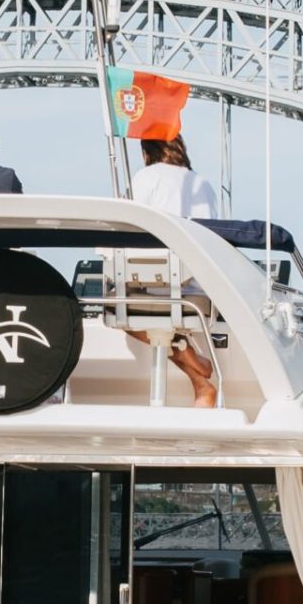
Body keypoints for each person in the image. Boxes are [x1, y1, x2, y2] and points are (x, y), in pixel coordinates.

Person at [125, 136, 222, 409]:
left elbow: (129, 228)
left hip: (160, 286)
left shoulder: (146, 177)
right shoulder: (202, 183)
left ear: (147, 151)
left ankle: (188, 354)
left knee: (120, 313)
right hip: (201, 291)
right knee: (156, 320)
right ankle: (201, 385)